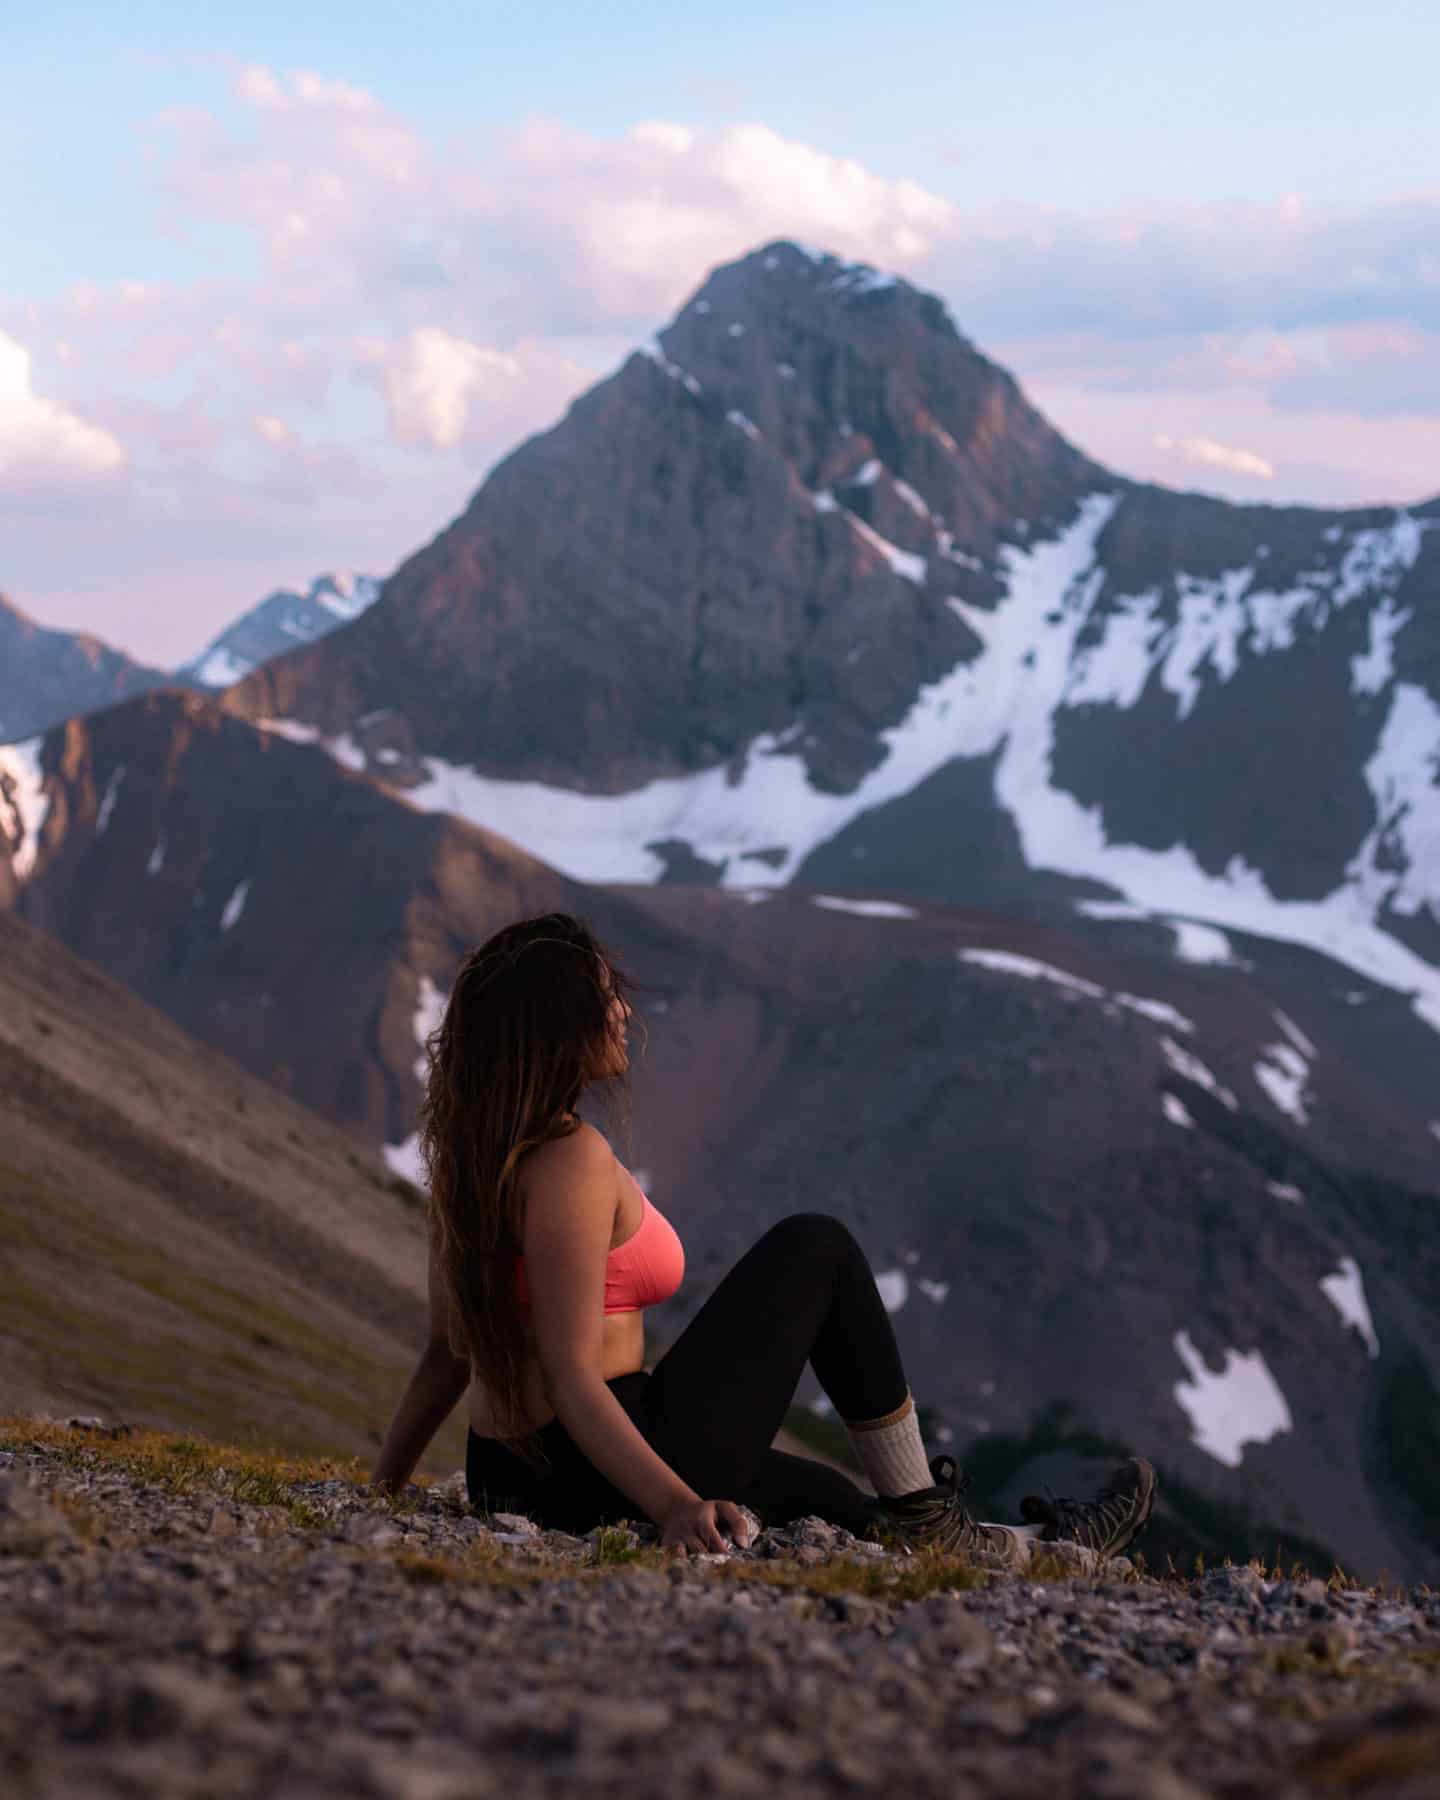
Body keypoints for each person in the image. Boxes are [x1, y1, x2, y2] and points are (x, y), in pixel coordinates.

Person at [371, 912, 1157, 1562]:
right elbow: (575, 1378)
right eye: (607, 998)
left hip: (507, 1477)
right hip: (600, 1464)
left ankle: (1047, 1549)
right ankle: (931, 1519)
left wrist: (380, 1490)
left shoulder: (472, 1157)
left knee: (833, 1502)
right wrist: (677, 1508)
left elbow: (448, 1349)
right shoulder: (570, 1160)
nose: (624, 1013)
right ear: (562, 1027)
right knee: (816, 1249)